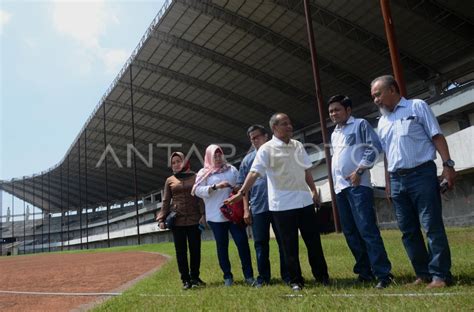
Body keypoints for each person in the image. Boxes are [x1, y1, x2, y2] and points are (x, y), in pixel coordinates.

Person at [227, 113, 329, 292]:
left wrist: (313, 190)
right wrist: (241, 193)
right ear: (275, 128)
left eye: (290, 123)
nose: (290, 126)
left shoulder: (297, 145)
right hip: (283, 205)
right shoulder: (266, 149)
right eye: (285, 124)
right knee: (289, 245)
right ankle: (296, 280)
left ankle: (322, 277)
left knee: (313, 242)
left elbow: (306, 170)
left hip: (304, 201)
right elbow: (254, 173)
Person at [371, 75, 456, 289]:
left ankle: (440, 275)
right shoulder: (382, 121)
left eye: (378, 94)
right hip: (397, 180)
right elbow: (388, 154)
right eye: (373, 97)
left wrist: (448, 165)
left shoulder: (417, 106)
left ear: (392, 90)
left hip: (422, 174)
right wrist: (388, 182)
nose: (375, 100)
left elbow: (436, 135)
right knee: (408, 230)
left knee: (431, 225)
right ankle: (423, 274)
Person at [328, 95, 393, 289]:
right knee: (350, 232)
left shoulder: (360, 124)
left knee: (367, 229)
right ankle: (365, 272)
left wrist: (359, 170)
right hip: (341, 188)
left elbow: (374, 148)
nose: (333, 114)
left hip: (358, 186)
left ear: (348, 110)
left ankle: (383, 274)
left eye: (337, 110)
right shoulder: (334, 133)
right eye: (331, 111)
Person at [192, 144, 254, 287]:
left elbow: (241, 187)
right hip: (216, 216)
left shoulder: (231, 169)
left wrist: (242, 202)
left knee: (242, 243)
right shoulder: (203, 172)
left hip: (234, 215)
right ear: (209, 157)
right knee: (222, 247)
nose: (218, 158)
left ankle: (249, 276)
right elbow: (196, 190)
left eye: (220, 155)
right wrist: (215, 187)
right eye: (215, 155)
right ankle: (227, 276)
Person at [237, 124, 290, 287]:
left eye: (257, 137)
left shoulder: (278, 152)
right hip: (259, 208)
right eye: (252, 139)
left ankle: (288, 276)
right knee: (260, 244)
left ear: (266, 136)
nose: (254, 141)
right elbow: (243, 189)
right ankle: (263, 277)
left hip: (279, 205)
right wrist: (246, 209)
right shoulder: (247, 160)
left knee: (284, 242)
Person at [156, 152, 206, 290]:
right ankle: (185, 280)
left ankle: (195, 278)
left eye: (179, 161)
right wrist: (161, 218)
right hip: (177, 221)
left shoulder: (196, 177)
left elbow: (200, 197)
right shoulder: (170, 180)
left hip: (194, 219)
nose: (176, 164)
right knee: (181, 252)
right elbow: (166, 200)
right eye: (173, 162)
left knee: (195, 250)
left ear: (184, 162)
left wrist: (203, 214)